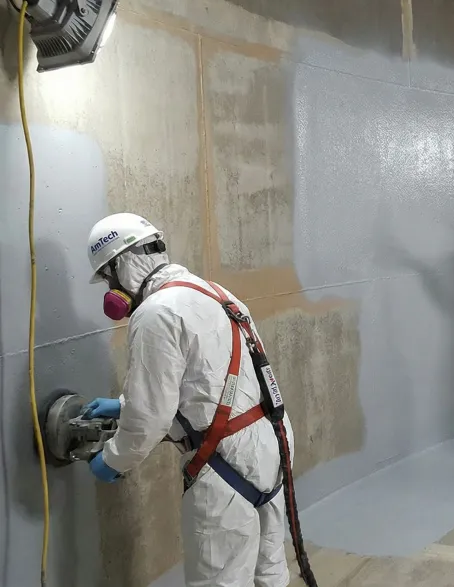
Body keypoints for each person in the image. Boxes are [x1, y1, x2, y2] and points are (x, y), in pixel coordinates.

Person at [81, 212, 295, 587]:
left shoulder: (155, 313)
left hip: (225, 465)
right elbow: (204, 382)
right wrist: (123, 405)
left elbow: (151, 418)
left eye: (108, 278)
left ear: (122, 263)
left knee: (220, 581)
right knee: (270, 572)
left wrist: (113, 459)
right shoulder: (215, 293)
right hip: (272, 446)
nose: (110, 290)